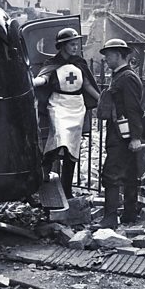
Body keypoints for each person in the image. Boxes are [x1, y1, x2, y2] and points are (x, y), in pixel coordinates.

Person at [33, 28, 100, 199]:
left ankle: (67, 189)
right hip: (58, 105)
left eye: (76, 44)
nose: (75, 47)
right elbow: (45, 78)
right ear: (62, 45)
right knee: (59, 139)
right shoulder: (52, 63)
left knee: (72, 148)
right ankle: (44, 176)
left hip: (76, 107)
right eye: (72, 44)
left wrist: (101, 100)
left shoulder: (79, 63)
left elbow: (87, 86)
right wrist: (35, 81)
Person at [98, 39, 145, 228]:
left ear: (118, 55)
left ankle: (110, 219)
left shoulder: (127, 78)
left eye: (108, 55)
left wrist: (135, 137)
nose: (106, 59)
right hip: (119, 132)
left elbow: (134, 109)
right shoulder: (120, 76)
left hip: (122, 135)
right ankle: (128, 215)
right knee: (128, 173)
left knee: (112, 174)